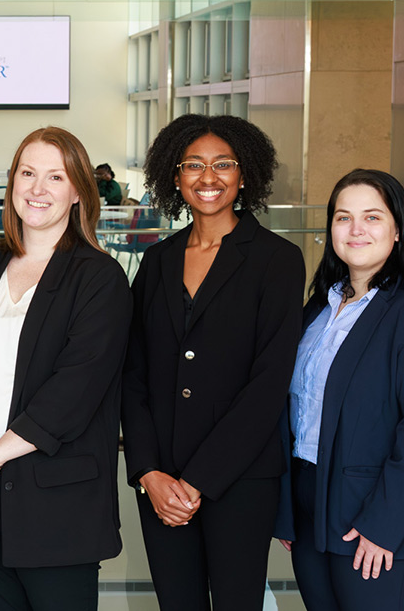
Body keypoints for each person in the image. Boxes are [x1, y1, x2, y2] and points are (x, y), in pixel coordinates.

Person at [0, 126, 131, 610]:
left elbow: (74, 393)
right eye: (27, 173)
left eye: (55, 177)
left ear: (79, 191)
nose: (37, 189)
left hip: (56, 503)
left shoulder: (99, 279)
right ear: (12, 182)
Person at [121, 114, 303, 611]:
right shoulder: (158, 260)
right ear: (174, 177)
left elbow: (269, 383)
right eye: (193, 165)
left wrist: (197, 481)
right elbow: (132, 374)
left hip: (240, 478)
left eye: (223, 164)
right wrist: (146, 472)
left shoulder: (278, 260)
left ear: (245, 176)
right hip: (160, 479)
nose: (208, 177)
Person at [273, 169, 404, 610]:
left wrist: (383, 524)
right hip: (312, 513)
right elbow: (293, 412)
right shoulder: (318, 309)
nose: (356, 229)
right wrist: (288, 510)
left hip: (380, 521)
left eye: (372, 217)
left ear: (398, 230)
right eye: (343, 217)